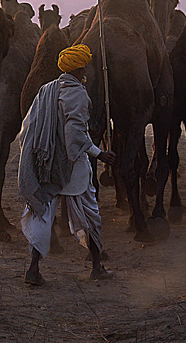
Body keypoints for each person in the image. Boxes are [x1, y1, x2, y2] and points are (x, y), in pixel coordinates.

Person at [18, 44, 116, 285]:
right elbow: (75, 136)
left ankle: (33, 269)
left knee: (41, 215)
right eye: (86, 66)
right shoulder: (79, 95)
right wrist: (99, 153)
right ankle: (96, 267)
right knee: (90, 215)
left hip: (46, 165)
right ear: (81, 68)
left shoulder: (46, 90)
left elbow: (27, 128)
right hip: (73, 168)